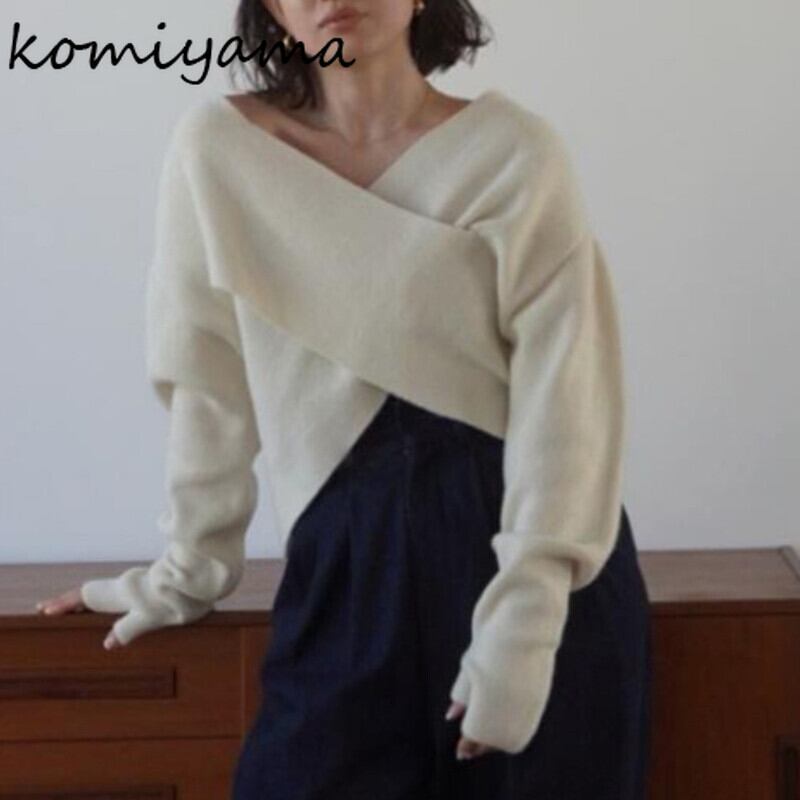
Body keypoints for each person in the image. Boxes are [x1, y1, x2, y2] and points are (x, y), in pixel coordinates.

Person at [36, 1, 653, 797]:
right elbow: (206, 381)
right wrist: (189, 567)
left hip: (529, 566)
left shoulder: (516, 153)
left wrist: (527, 619)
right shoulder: (220, 150)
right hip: (346, 566)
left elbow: (570, 391)